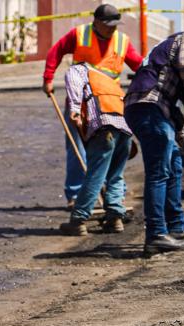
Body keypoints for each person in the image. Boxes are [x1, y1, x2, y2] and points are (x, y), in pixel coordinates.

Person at [124, 27, 184, 255]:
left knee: (176, 163)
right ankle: (156, 234)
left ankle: (176, 228)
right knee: (159, 171)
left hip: (155, 111)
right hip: (149, 107)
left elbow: (175, 118)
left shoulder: (171, 67)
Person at [42, 3, 143, 210]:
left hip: (109, 104)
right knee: (77, 147)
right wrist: (48, 78)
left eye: (115, 25)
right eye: (108, 25)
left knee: (112, 149)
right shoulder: (79, 34)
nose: (112, 29)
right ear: (96, 21)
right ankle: (77, 195)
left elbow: (138, 65)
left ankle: (114, 196)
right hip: (82, 104)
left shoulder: (122, 41)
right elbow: (56, 51)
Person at [58, 62, 131, 236]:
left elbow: (74, 88)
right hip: (125, 128)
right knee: (115, 175)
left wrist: (75, 110)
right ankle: (115, 218)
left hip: (104, 128)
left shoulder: (77, 70)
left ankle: (78, 220)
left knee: (95, 175)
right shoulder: (105, 78)